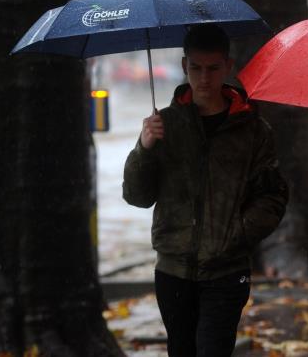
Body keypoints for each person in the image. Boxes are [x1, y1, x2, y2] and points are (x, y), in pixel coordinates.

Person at [122, 24, 288, 356]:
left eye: (213, 68)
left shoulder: (252, 129)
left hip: (227, 270)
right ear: (185, 66)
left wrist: (237, 234)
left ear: (228, 66)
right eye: (196, 68)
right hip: (173, 270)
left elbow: (272, 196)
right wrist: (144, 148)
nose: (204, 78)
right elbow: (137, 196)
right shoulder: (165, 125)